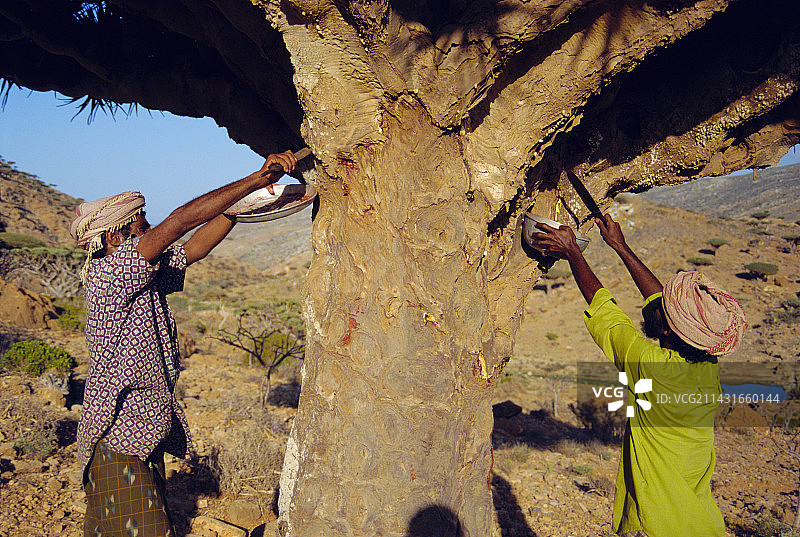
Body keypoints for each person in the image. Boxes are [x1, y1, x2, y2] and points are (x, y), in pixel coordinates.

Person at [69, 150, 297, 536]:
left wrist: (238, 207)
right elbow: (180, 222)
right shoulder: (111, 272)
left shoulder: (143, 272)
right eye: (142, 227)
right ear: (113, 236)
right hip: (118, 433)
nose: (152, 232)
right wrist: (255, 179)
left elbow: (193, 247)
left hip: (144, 430)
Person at [529, 213, 747, 537]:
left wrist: (574, 253)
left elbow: (609, 316)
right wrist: (620, 246)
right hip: (700, 525)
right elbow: (660, 303)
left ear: (670, 329)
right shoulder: (706, 369)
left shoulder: (651, 367)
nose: (657, 306)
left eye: (666, 311)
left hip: (654, 525)